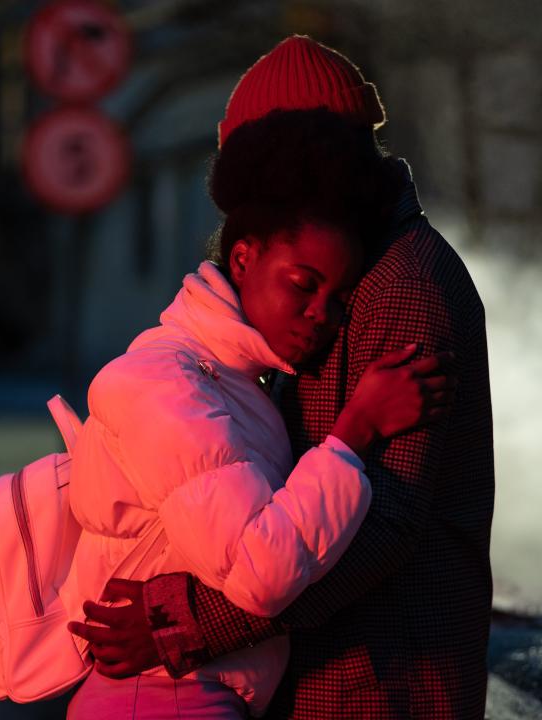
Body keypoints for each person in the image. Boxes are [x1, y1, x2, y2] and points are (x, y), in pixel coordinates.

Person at [71, 36, 495, 720]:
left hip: (383, 677)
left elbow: (384, 524)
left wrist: (182, 621)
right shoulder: (340, 273)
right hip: (326, 670)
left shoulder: (403, 286)